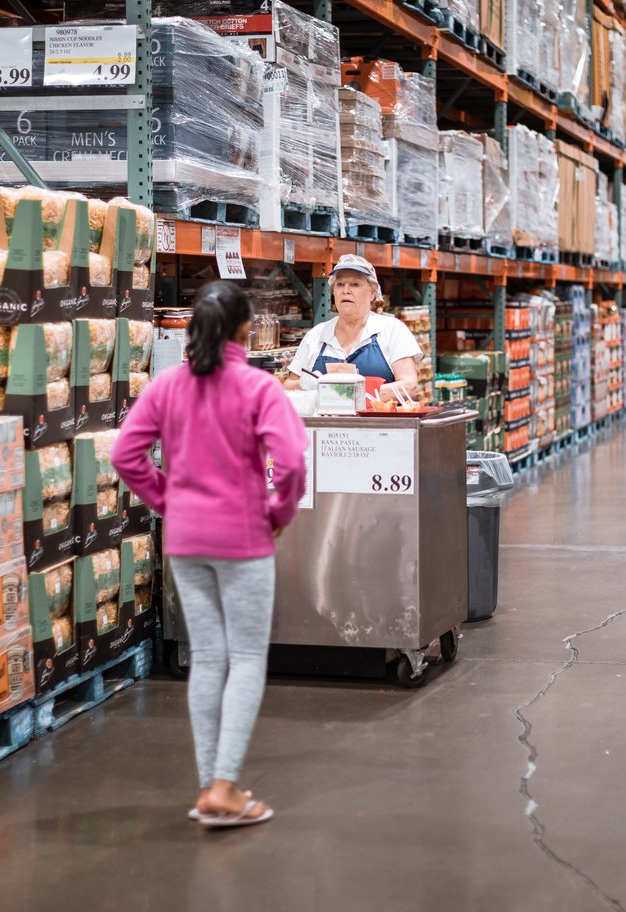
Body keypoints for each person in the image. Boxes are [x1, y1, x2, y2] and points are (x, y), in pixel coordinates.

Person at [111, 281, 308, 829]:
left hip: (186, 538)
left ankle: (208, 787)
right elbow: (290, 462)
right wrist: (278, 513)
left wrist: (166, 498)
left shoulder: (167, 385)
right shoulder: (259, 388)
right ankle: (225, 786)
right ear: (245, 329)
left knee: (209, 655)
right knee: (245, 657)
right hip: (243, 535)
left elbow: (125, 453)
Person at [286, 254, 422, 401]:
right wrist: (304, 384)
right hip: (326, 423)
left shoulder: (392, 330)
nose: (346, 290)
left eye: (355, 284)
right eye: (340, 284)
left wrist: (349, 394)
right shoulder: (317, 335)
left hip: (378, 424)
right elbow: (288, 386)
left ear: (372, 293)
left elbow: (409, 386)